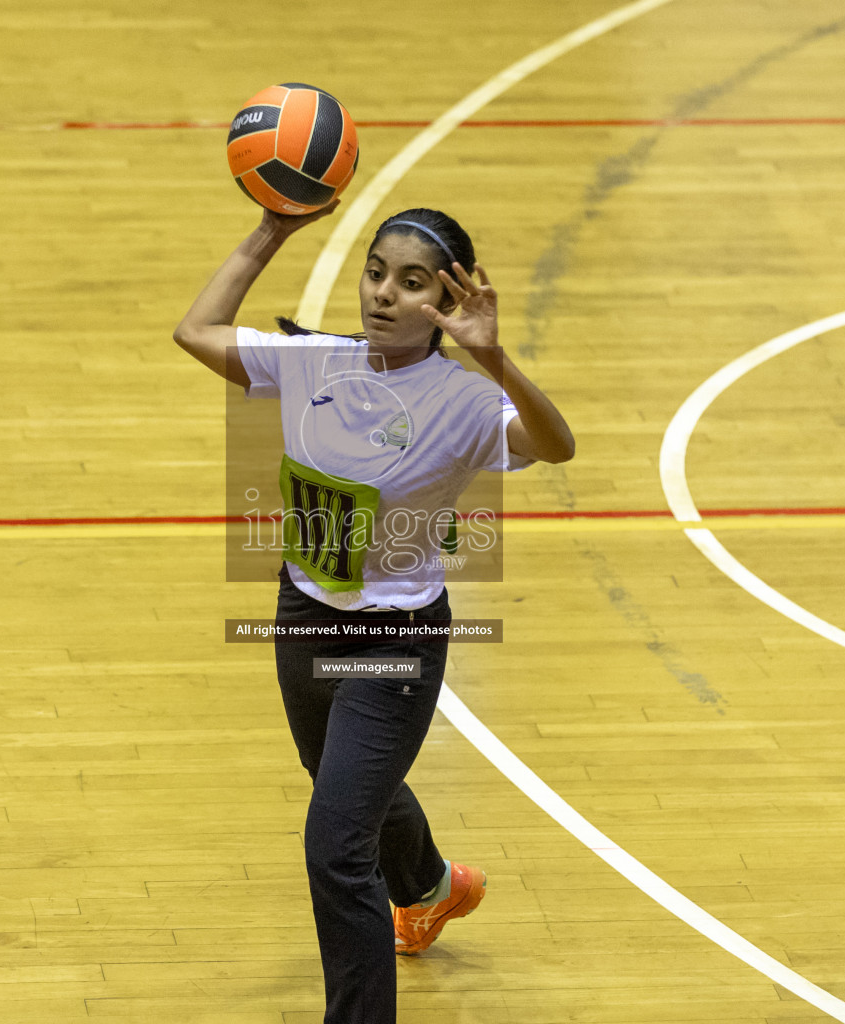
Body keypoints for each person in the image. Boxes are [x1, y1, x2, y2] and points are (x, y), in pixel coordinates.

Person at [173, 199, 575, 1024]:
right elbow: (197, 331)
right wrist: (271, 233)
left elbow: (555, 445)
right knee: (340, 785)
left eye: (413, 282)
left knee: (335, 844)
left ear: (449, 304)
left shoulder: (463, 402)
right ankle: (430, 884)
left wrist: (497, 360)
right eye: (376, 271)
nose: (383, 294)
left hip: (396, 646)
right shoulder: (312, 362)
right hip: (303, 614)